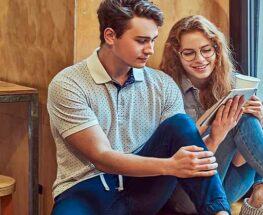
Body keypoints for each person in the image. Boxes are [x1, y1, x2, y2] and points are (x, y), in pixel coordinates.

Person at [47, 1, 243, 215]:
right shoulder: (69, 84)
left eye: (153, 40)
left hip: (145, 187)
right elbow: (101, 156)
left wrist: (215, 137)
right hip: (85, 188)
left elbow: (182, 141)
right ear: (110, 36)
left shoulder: (163, 84)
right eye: (141, 41)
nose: (150, 50)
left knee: (180, 124)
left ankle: (219, 213)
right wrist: (170, 166)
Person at [160, 15, 263, 215]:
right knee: (237, 116)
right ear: (177, 54)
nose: (200, 59)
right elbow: (181, 166)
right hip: (190, 195)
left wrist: (260, 120)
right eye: (189, 53)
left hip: (225, 185)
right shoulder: (168, 90)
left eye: (206, 50)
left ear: (216, 49)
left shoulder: (231, 84)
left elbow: (239, 160)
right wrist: (217, 136)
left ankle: (258, 200)